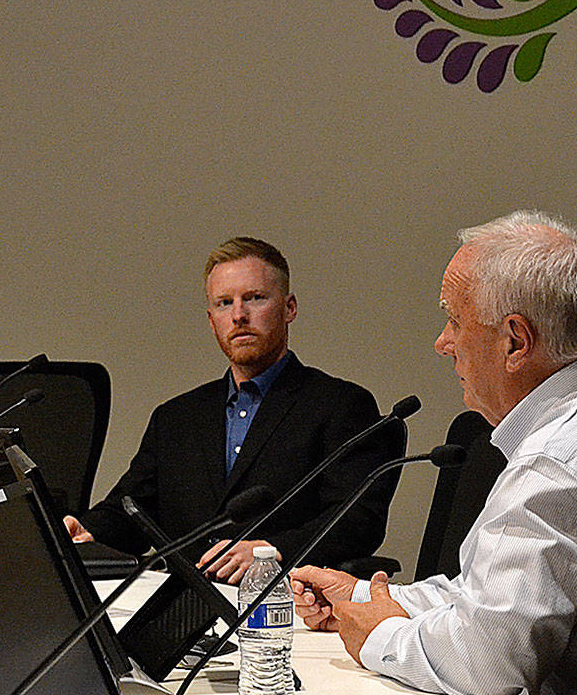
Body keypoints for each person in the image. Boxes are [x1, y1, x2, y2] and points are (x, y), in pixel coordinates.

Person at [292, 211, 577, 695]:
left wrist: (378, 635)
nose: (443, 343)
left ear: (515, 341)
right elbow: (490, 598)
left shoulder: (558, 462)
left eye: (454, 319)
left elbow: (487, 660)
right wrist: (362, 599)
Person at [64, 237, 402, 584]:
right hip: (182, 604)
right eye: (225, 303)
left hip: (283, 600)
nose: (239, 315)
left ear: (289, 309)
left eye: (254, 298)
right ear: (212, 321)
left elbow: (358, 521)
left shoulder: (340, 406)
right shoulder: (176, 418)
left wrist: (268, 551)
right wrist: (87, 529)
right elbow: (132, 510)